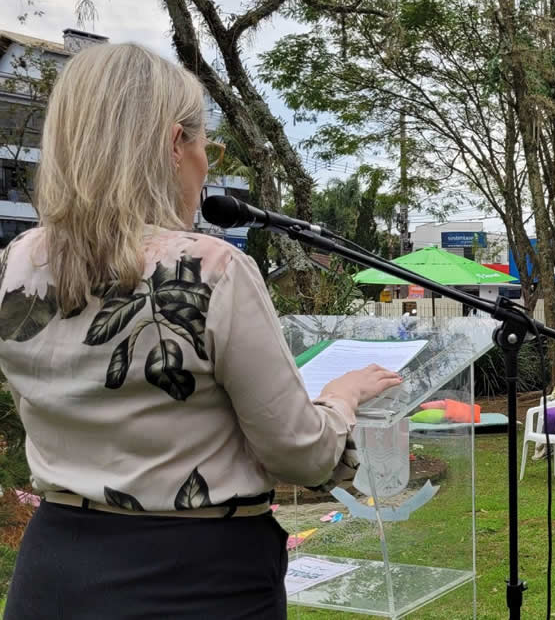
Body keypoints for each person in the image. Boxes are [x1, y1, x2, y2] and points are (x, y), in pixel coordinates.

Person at [0, 43, 406, 618]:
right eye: (204, 146)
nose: (207, 164)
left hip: (54, 569)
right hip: (196, 578)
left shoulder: (16, 264)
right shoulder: (211, 269)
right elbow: (301, 455)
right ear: (173, 144)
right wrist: (339, 400)